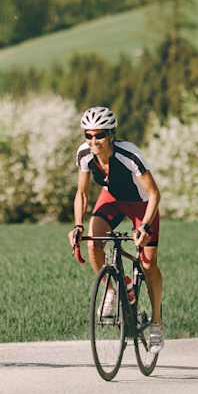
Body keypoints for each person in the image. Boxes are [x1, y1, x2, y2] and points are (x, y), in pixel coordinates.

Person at [68, 106, 165, 353]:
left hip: (141, 204)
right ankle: (115, 289)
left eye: (99, 135)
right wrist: (78, 225)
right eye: (88, 135)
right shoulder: (84, 155)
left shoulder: (128, 154)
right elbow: (81, 193)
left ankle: (156, 322)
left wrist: (144, 226)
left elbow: (154, 194)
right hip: (112, 199)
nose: (93, 141)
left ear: (111, 134)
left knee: (148, 264)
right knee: (93, 243)